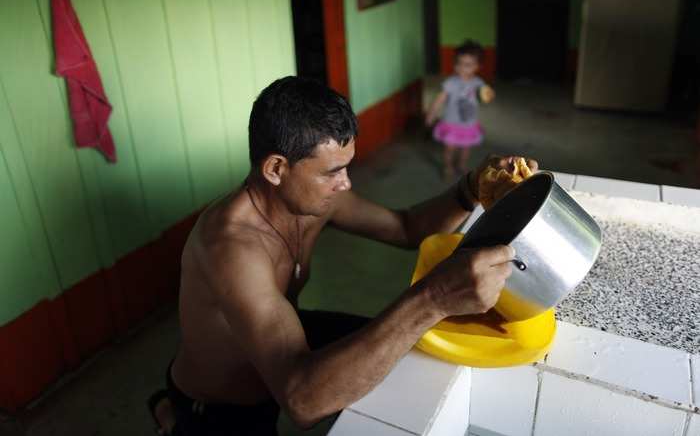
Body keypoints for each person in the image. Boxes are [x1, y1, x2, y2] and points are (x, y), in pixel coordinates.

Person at [149, 76, 533, 435]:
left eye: (346, 167)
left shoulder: (315, 199)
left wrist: (471, 187)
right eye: (332, 172)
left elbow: (406, 228)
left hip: (282, 333)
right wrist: (432, 299)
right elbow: (302, 403)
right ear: (276, 168)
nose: (346, 183)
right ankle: (172, 414)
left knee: (405, 350)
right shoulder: (231, 246)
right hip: (222, 403)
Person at [425, 40, 496, 180]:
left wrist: (489, 96)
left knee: (465, 148)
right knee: (449, 149)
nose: (462, 68)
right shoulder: (450, 83)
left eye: (468, 65)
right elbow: (439, 100)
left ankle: (461, 165)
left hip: (468, 124)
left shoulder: (479, 83)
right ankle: (448, 166)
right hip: (451, 124)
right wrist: (431, 115)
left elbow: (485, 97)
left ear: (477, 66)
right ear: (455, 64)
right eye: (459, 64)